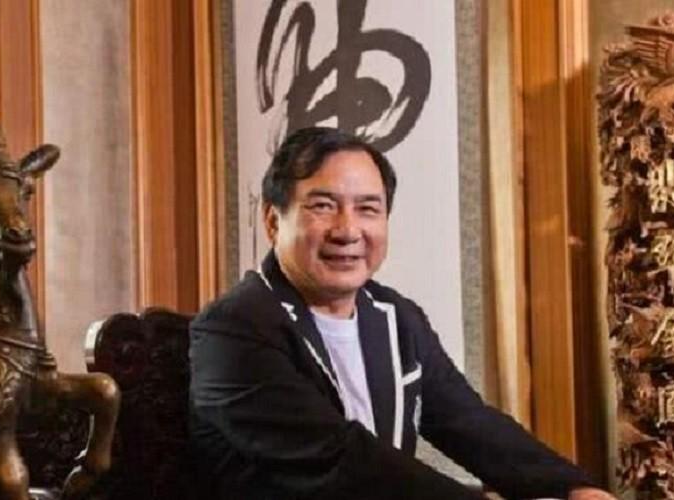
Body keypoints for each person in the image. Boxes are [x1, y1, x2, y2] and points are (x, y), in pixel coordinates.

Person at [188, 127, 614, 499]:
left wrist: (570, 487)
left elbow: (467, 422)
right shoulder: (230, 330)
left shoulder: (395, 316)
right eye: (323, 206)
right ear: (273, 221)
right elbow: (339, 461)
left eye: (368, 209)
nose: (348, 230)